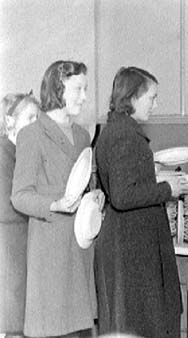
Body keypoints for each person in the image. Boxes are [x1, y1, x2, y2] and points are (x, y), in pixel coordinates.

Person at [94, 66, 188, 337]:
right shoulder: (126, 136)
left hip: (129, 243)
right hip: (134, 247)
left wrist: (152, 177)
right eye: (152, 97)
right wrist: (166, 188)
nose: (156, 104)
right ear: (133, 98)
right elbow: (123, 196)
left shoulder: (113, 131)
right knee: (145, 323)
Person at [11, 60, 101, 338]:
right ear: (58, 89)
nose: (84, 97)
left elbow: (84, 183)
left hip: (81, 248)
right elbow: (20, 196)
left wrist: (95, 197)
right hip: (50, 256)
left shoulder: (83, 135)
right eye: (78, 89)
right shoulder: (31, 135)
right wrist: (54, 204)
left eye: (86, 89)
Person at [0, 92, 39, 338]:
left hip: (22, 245)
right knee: (12, 322)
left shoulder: (23, 152)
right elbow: (7, 206)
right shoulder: (4, 154)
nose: (36, 124)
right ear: (9, 121)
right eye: (30, 117)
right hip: (9, 248)